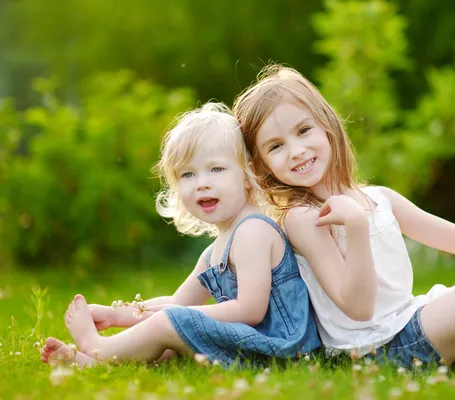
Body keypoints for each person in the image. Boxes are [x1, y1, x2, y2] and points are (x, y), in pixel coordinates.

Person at [231, 65, 455, 369]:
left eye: (303, 130)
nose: (296, 150)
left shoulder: (379, 198)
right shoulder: (303, 216)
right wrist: (355, 226)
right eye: (276, 146)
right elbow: (358, 308)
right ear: (262, 166)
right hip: (377, 347)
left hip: (406, 319)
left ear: (327, 126)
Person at [40, 102, 321, 368]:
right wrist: (117, 315)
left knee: (171, 323)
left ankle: (96, 346)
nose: (202, 184)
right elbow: (177, 302)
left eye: (216, 169)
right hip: (250, 344)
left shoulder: (253, 231)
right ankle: (98, 362)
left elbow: (250, 310)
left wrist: (176, 317)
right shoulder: (213, 252)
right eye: (188, 174)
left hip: (282, 350)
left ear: (248, 175)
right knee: (172, 330)